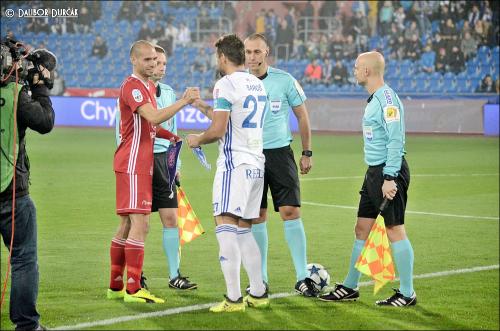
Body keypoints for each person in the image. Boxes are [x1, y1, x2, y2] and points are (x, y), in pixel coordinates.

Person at [319, 51, 416, 307]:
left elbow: (396, 139)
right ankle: (350, 287)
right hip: (374, 172)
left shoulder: (387, 99)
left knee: (394, 230)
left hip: (387, 172)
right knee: (362, 228)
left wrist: (389, 176)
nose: (354, 70)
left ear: (368, 71)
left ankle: (407, 293)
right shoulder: (374, 99)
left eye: (356, 67)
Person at [107, 40, 199, 304]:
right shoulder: (133, 87)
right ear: (134, 60)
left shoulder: (147, 86)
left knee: (126, 224)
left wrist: (170, 136)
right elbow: (154, 117)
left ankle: (115, 285)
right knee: (141, 224)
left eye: (154, 60)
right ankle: (134, 289)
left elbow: (151, 126)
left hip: (138, 163)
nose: (152, 64)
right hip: (134, 163)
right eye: (147, 60)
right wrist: (184, 101)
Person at [187, 34, 269, 313]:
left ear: (222, 58)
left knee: (225, 226)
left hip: (234, 165)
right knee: (245, 229)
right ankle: (258, 292)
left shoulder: (225, 83)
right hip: (257, 164)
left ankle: (234, 299)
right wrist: (201, 107)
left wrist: (198, 139)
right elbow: (231, 119)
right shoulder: (256, 84)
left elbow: (220, 130)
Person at [244, 33, 316, 297]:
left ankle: (302, 277)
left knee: (290, 212)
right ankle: (259, 280)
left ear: (267, 52)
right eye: (248, 52)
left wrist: (306, 151)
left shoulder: (284, 80)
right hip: (251, 156)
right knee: (256, 216)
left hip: (280, 155)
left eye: (256, 52)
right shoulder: (238, 83)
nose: (252, 57)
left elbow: (303, 117)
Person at [0, 56, 55, 330]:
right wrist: (41, 87)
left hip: (13, 192)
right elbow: (45, 122)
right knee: (22, 259)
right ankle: (26, 325)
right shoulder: (16, 94)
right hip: (12, 193)